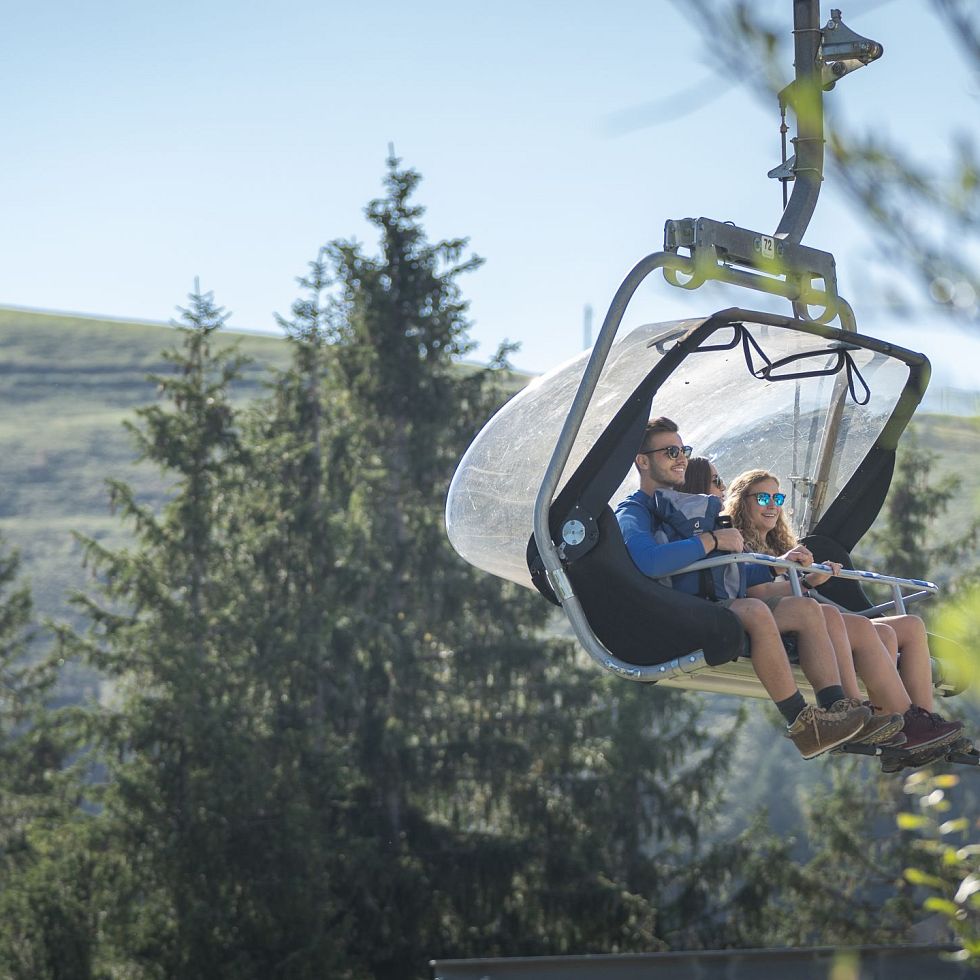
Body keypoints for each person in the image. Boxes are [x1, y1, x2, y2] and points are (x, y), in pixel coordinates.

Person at [614, 417, 871, 760]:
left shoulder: (688, 509)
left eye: (684, 450)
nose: (681, 458)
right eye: (670, 451)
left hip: (712, 600)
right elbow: (649, 561)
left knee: (809, 610)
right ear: (642, 461)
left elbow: (731, 574)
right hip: (674, 611)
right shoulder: (635, 511)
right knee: (752, 611)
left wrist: (781, 568)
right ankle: (801, 722)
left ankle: (836, 708)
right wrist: (711, 540)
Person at [723, 468, 964, 767]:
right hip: (786, 619)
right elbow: (755, 592)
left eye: (778, 497)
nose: (772, 504)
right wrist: (805, 579)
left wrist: (813, 575)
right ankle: (896, 720)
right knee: (857, 626)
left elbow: (790, 588)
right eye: (762, 497)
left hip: (806, 614)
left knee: (906, 627)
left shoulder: (782, 545)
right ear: (741, 502)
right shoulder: (737, 542)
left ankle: (921, 722)